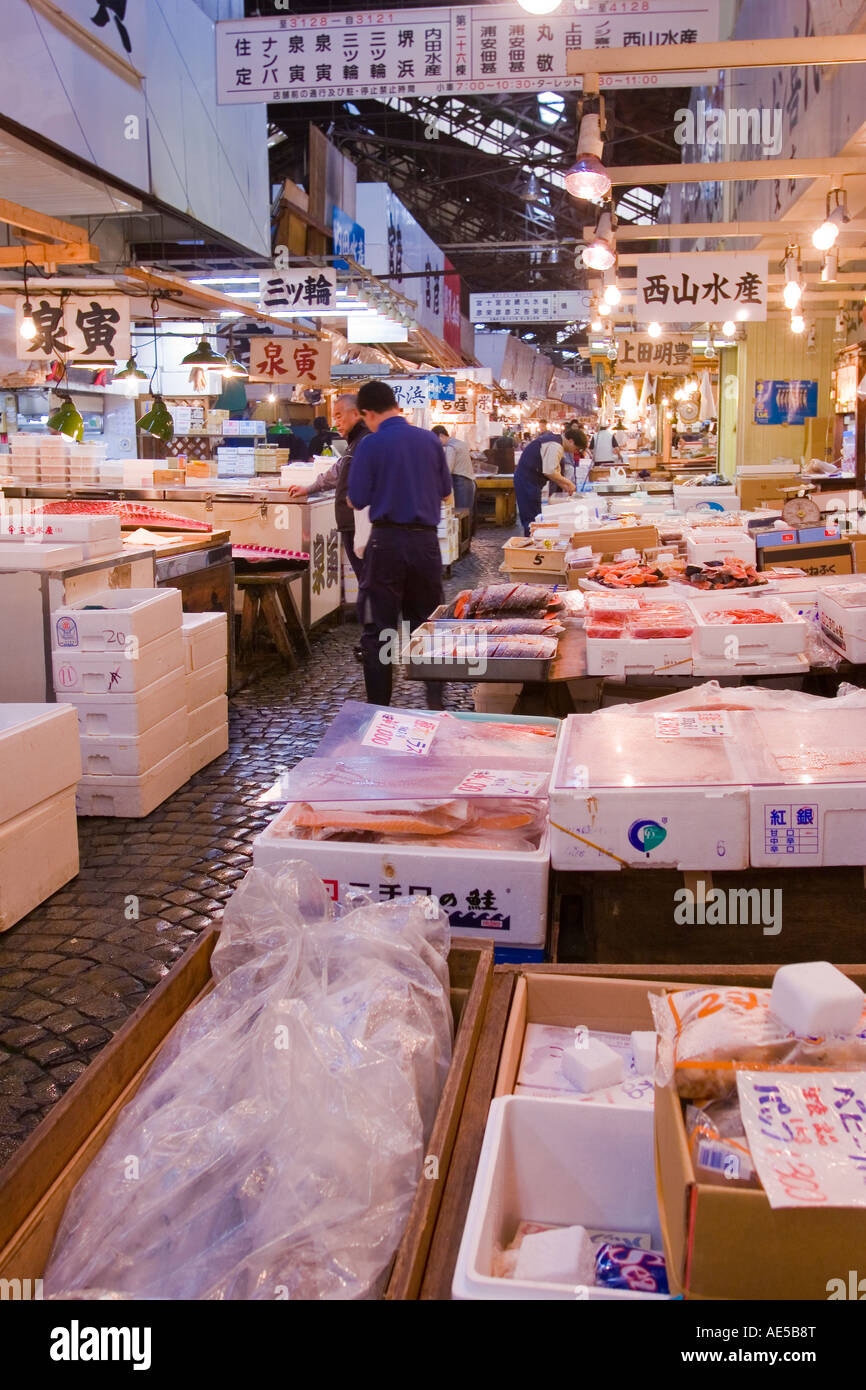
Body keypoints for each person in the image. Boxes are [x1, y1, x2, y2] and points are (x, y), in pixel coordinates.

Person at [348, 380, 452, 707]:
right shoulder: (430, 441)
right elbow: (446, 492)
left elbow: (356, 499)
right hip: (425, 545)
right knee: (428, 626)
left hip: (387, 544)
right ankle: (435, 707)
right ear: (395, 404)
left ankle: (379, 709)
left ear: (367, 413)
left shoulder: (370, 444)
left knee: (379, 629)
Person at [285, 394, 370, 579]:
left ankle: (373, 608)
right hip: (351, 524)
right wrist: (308, 488)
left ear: (356, 414)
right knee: (366, 580)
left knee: (369, 581)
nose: (336, 422)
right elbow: (337, 471)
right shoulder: (354, 444)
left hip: (362, 524)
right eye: (334, 416)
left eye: (339, 415)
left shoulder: (366, 441)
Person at [513, 425, 579, 535]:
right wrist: (568, 483)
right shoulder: (555, 445)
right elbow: (550, 471)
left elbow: (553, 471)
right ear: (571, 441)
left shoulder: (556, 442)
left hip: (530, 480)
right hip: (527, 480)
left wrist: (564, 485)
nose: (574, 452)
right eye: (576, 448)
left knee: (535, 517)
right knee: (532, 519)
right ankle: (530, 546)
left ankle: (533, 542)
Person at [432, 424, 476, 524]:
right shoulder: (461, 443)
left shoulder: (451, 447)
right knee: (467, 511)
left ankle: (461, 537)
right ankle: (468, 536)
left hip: (460, 480)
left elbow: (448, 468)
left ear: (441, 436)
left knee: (460, 511)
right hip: (469, 481)